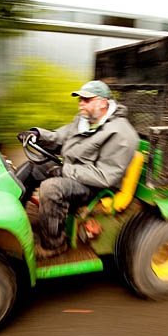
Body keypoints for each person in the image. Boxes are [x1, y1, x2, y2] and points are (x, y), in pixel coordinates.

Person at [16, 80, 139, 259]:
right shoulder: (84, 121)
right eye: (80, 99)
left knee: (52, 188)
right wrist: (37, 135)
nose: (81, 103)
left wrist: (65, 171)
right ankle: (13, 219)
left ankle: (54, 244)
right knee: (31, 168)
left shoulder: (121, 134)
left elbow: (105, 177)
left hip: (96, 186)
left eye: (86, 100)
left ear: (103, 102)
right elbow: (59, 136)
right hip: (74, 171)